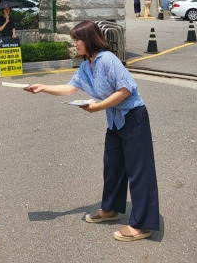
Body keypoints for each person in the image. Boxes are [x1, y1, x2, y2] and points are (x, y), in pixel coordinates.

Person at [24, 20, 159, 242]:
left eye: (76, 39)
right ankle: (110, 210)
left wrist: (97, 106)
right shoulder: (87, 65)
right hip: (115, 121)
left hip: (133, 117)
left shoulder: (107, 59)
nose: (74, 44)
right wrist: (42, 88)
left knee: (139, 171)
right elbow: (69, 88)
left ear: (88, 39)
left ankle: (142, 225)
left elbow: (126, 90)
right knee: (112, 166)